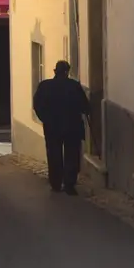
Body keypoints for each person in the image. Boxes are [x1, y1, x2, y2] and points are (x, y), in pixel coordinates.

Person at [33, 60, 90, 195]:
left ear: (55, 71)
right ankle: (69, 184)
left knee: (53, 154)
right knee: (71, 154)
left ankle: (56, 182)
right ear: (67, 71)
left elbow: (37, 105)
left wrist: (45, 119)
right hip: (72, 126)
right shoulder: (74, 86)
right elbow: (84, 106)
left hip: (52, 126)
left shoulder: (45, 86)